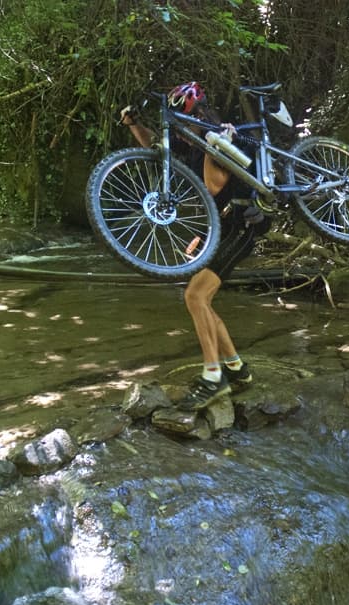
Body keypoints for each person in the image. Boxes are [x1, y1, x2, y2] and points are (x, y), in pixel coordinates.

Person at [120, 82, 270, 411]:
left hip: (243, 224)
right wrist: (134, 124)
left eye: (186, 123)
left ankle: (213, 378)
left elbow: (213, 187)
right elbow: (158, 149)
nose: (182, 132)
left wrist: (207, 139)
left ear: (198, 116)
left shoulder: (215, 140)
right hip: (221, 227)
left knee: (195, 296)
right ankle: (237, 369)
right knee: (200, 300)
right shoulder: (189, 141)